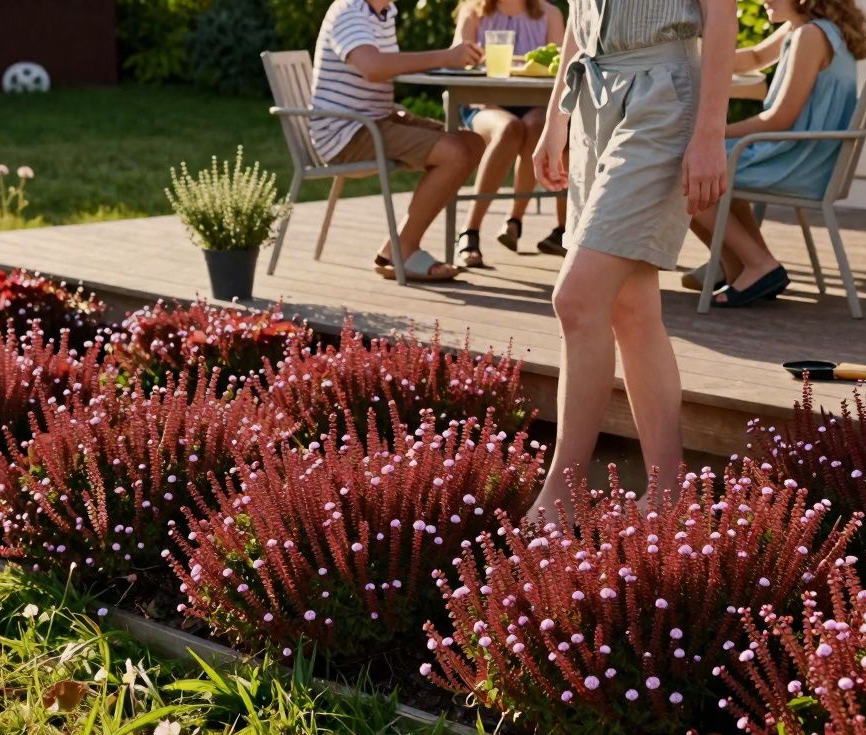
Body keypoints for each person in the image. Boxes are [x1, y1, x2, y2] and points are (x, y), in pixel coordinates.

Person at [526, 0, 734, 519]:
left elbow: (722, 16)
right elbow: (579, 21)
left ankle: (562, 496)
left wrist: (710, 133)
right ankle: (671, 496)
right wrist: (557, 120)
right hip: (594, 100)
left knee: (576, 299)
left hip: (662, 99)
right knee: (632, 310)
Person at [682, 0, 866, 306]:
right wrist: (690, 53)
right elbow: (754, 57)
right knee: (718, 168)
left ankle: (758, 263)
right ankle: (741, 267)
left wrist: (710, 133)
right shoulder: (809, 30)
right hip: (812, 158)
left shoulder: (810, 37)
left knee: (684, 172)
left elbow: (779, 119)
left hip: (800, 163)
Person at [310, 0, 488, 282]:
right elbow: (373, 67)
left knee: (472, 143)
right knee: (454, 153)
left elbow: (383, 68)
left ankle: (395, 246)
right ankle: (404, 250)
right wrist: (444, 57)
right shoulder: (349, 11)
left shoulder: (383, 12)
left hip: (377, 118)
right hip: (347, 132)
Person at [451, 0, 567, 267]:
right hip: (483, 103)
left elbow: (560, 66)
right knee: (508, 129)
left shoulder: (550, 14)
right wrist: (471, 58)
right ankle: (470, 231)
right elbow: (458, 60)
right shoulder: (473, 12)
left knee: (539, 128)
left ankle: (514, 221)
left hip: (535, 104)